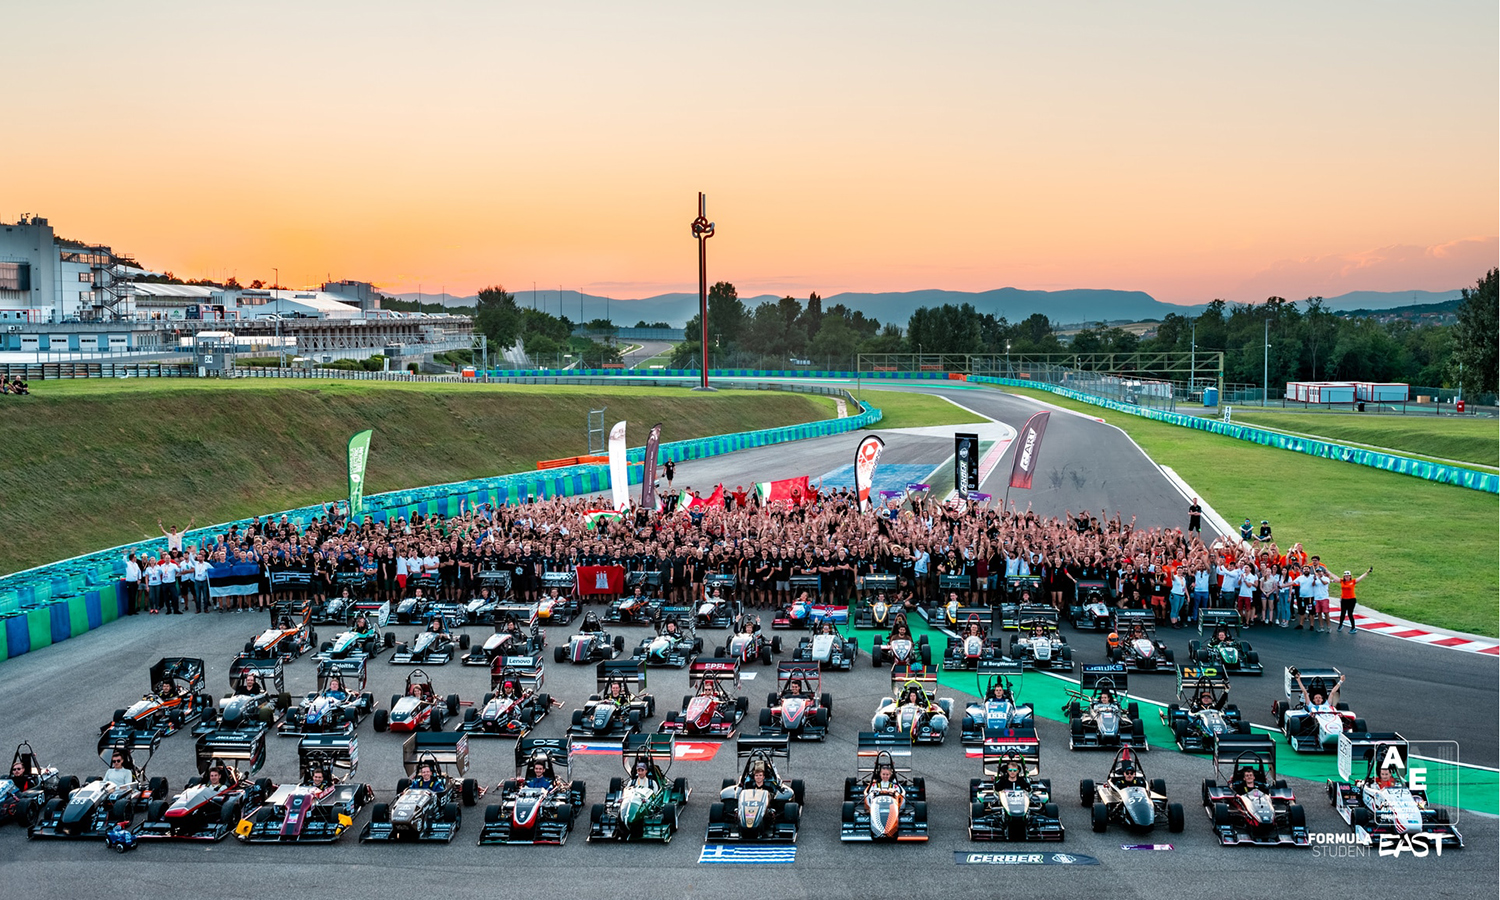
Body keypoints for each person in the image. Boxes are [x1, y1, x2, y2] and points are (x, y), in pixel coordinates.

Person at [1336, 567, 1373, 633]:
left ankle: (1353, 628)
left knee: (1350, 613)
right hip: (1344, 600)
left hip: (1351, 600)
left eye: (1348, 576)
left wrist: (1367, 572)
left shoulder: (1353, 581)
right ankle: (1340, 625)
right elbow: (1334, 578)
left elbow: (1360, 578)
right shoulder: (1342, 581)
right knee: (1342, 613)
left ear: (1350, 576)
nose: (1346, 577)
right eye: (1345, 576)